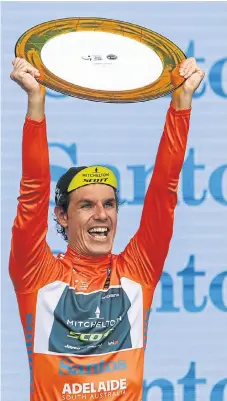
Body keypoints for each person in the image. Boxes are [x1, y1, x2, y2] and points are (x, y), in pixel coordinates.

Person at [9, 56, 205, 401]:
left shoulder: (137, 271)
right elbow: (32, 194)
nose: (102, 215)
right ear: (62, 216)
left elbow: (164, 190)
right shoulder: (35, 276)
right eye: (86, 205)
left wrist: (181, 104)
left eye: (109, 204)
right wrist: (36, 105)